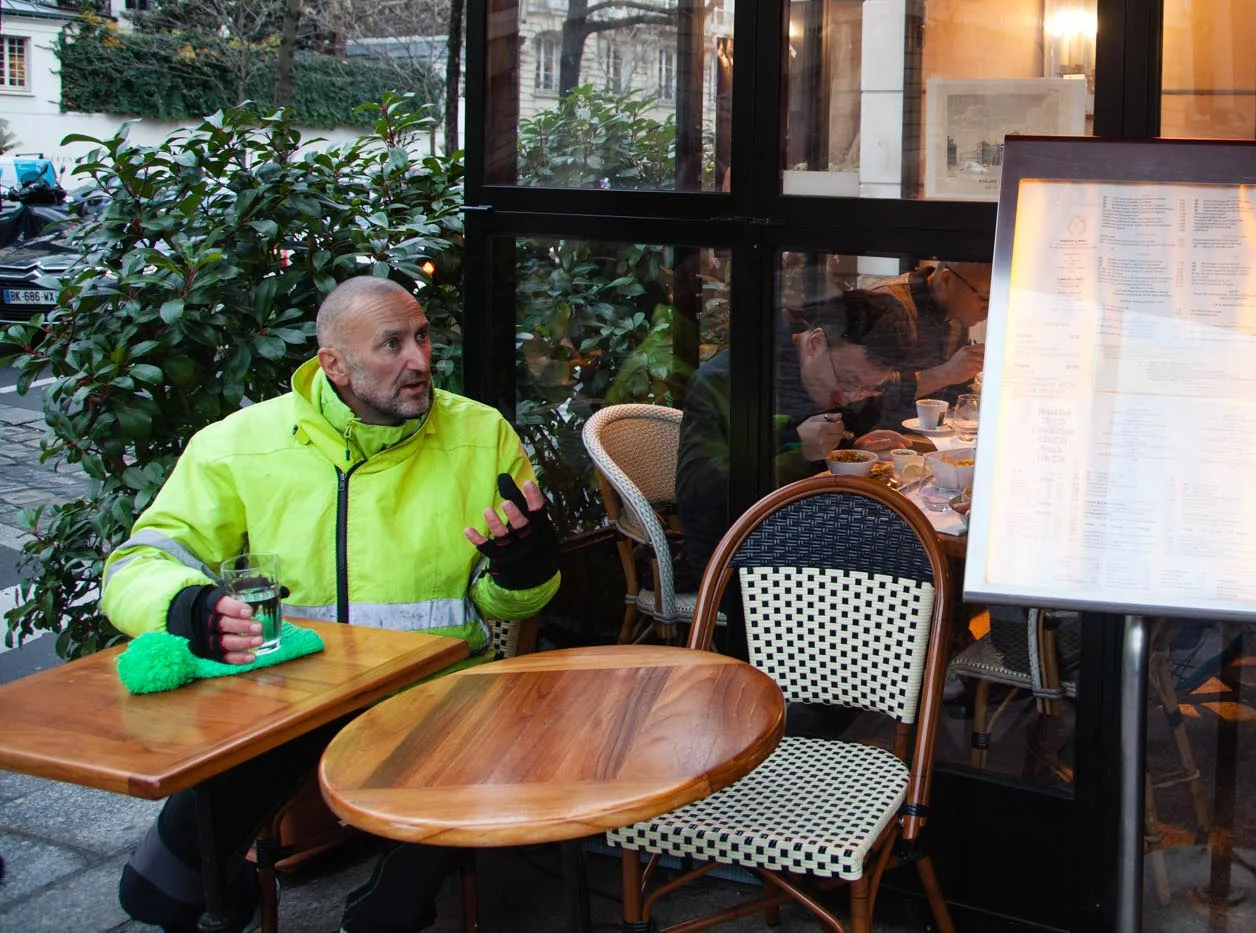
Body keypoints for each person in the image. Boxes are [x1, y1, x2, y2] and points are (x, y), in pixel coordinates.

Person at [102, 276, 561, 933]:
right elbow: (134, 562)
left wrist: (527, 564)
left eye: (424, 336)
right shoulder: (239, 444)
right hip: (285, 701)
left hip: (440, 701)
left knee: (387, 919)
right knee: (157, 893)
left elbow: (508, 601)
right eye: (392, 344)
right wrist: (190, 608)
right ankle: (234, 892)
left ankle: (378, 907)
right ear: (334, 364)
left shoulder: (480, 434)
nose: (420, 359)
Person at [675, 287, 915, 581]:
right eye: (849, 381)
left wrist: (850, 448)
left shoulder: (816, 376)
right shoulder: (731, 381)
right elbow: (699, 495)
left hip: (807, 536)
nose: (852, 396)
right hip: (736, 561)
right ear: (815, 343)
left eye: (868, 388)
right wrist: (798, 450)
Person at [870, 259, 991, 411]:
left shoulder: (957, 312)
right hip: (879, 432)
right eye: (984, 298)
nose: (988, 309)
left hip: (933, 430)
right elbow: (863, 392)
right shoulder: (888, 304)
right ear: (946, 279)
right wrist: (946, 373)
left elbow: (954, 391)